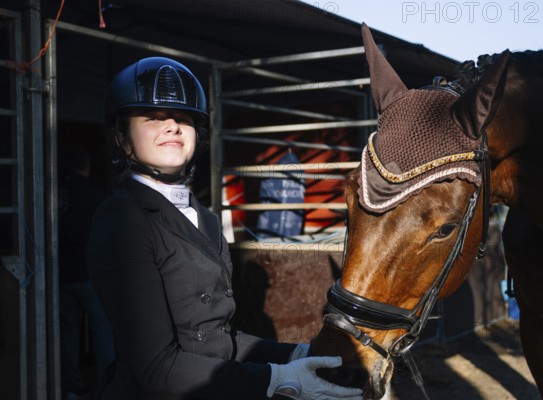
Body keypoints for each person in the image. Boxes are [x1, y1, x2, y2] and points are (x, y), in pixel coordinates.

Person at [87, 57, 362, 400]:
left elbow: (219, 339)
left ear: (196, 136)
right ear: (124, 141)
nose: (172, 126)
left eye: (184, 119)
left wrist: (298, 355)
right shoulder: (122, 217)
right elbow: (156, 367)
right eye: (153, 119)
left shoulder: (206, 218)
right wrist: (275, 378)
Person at [58, 143, 116, 399]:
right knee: (102, 330)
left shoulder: (54, 197)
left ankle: (72, 385)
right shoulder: (98, 197)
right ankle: (107, 385)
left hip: (60, 276)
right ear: (87, 167)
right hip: (91, 276)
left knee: (67, 333)